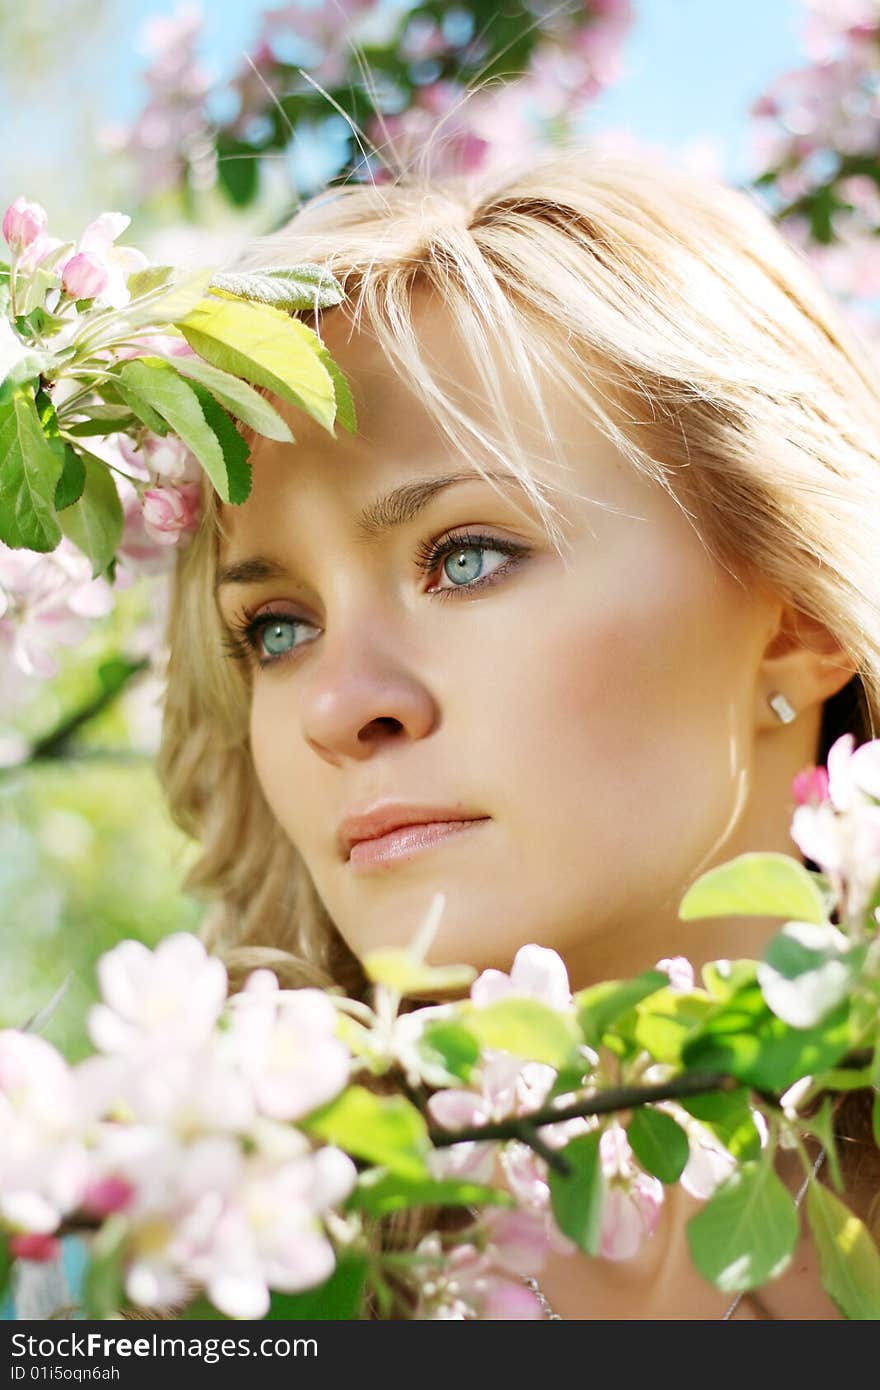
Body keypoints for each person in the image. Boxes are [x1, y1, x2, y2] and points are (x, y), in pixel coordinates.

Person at [157, 137, 880, 1318]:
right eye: (278, 629)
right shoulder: (159, 1274)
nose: (341, 707)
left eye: (467, 557)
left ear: (795, 609)